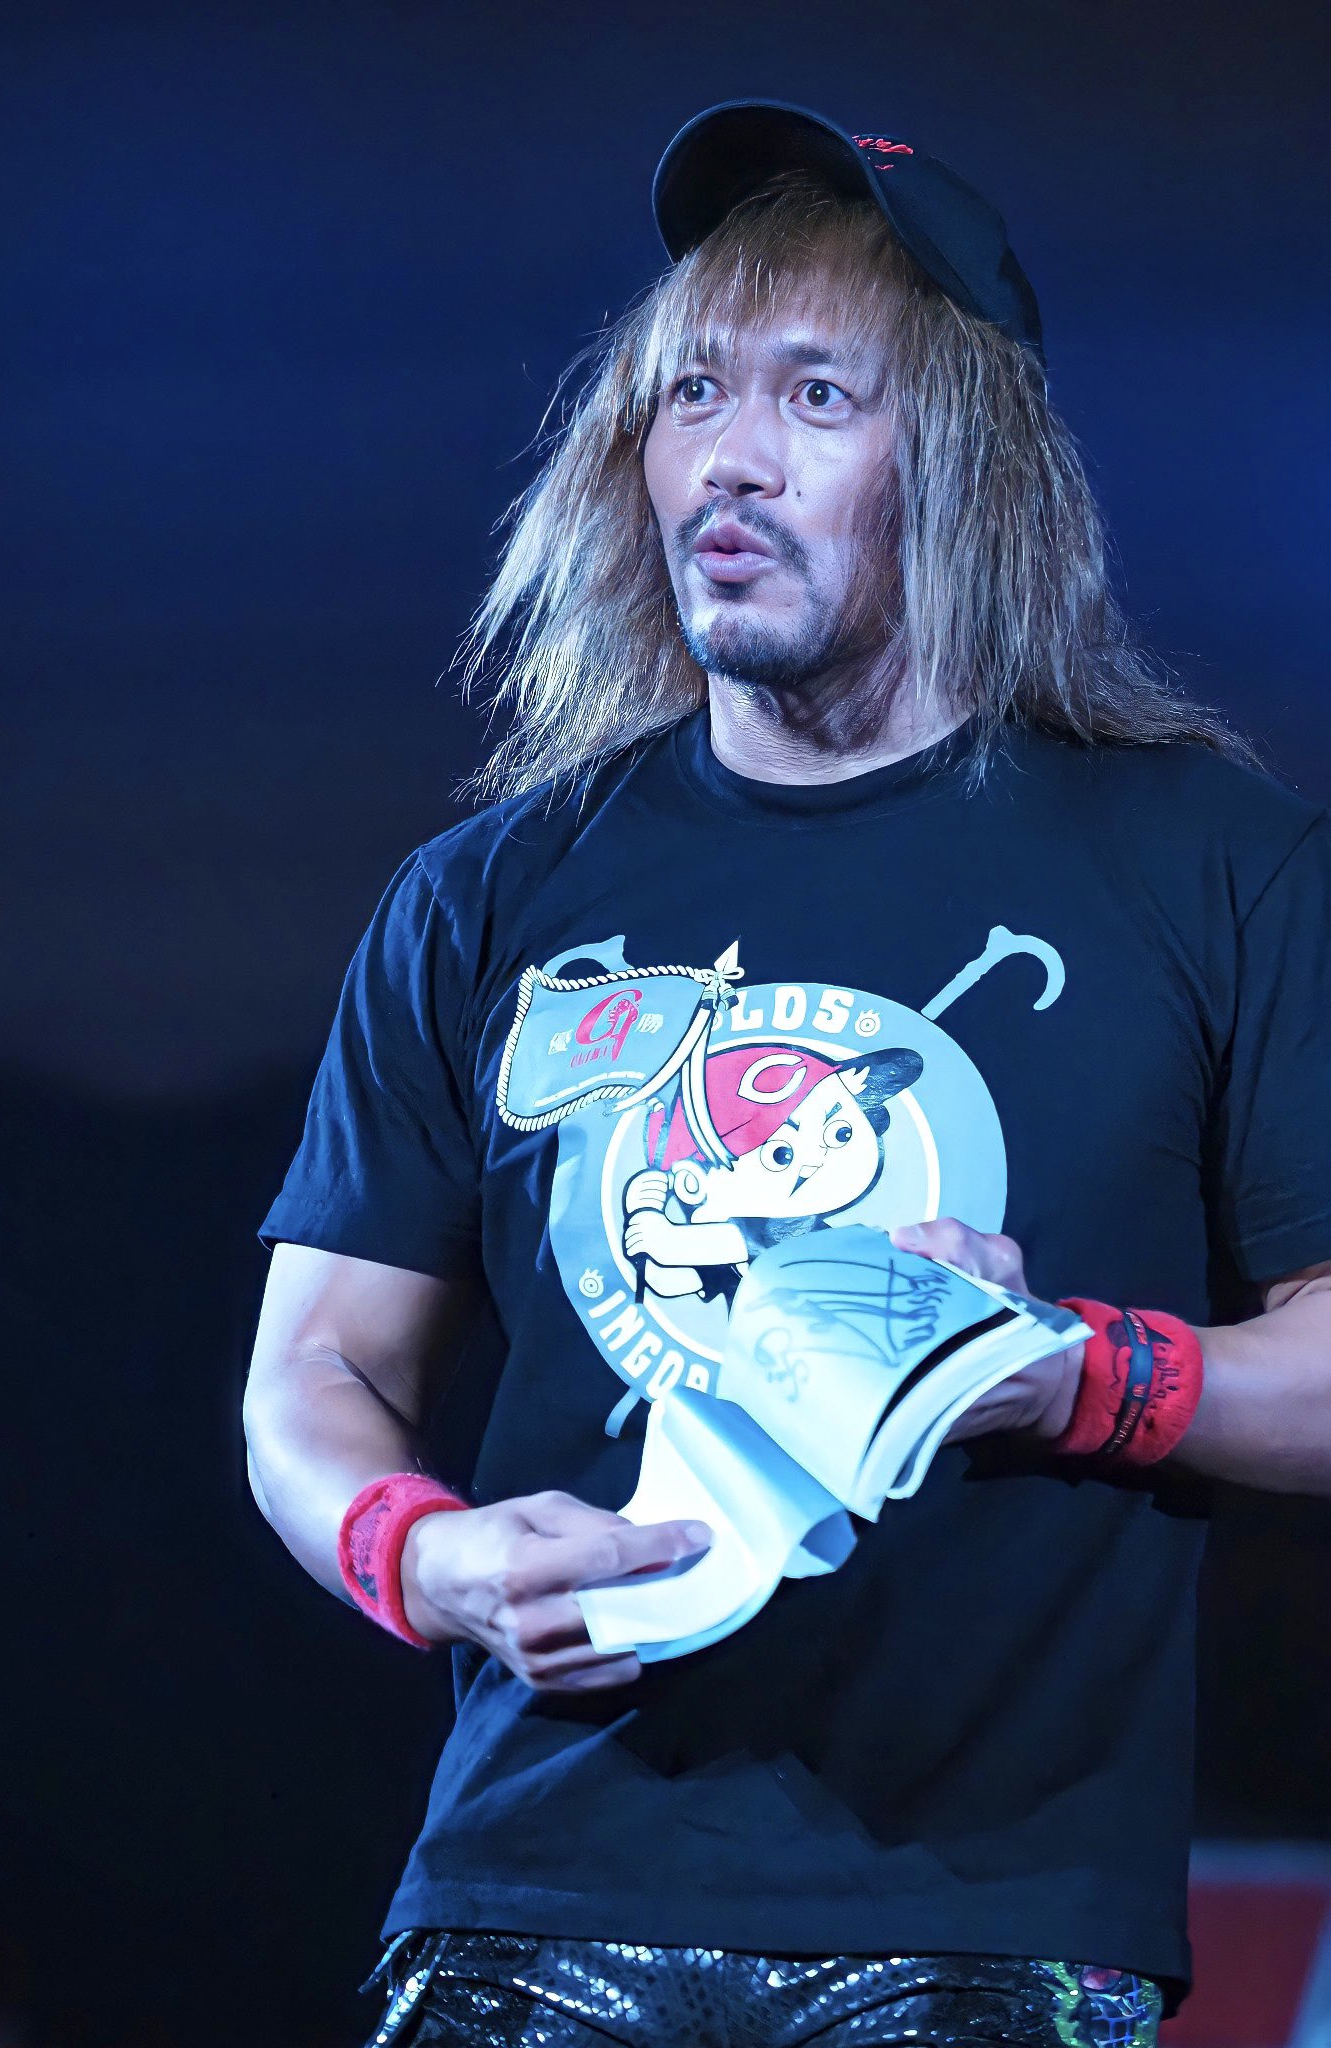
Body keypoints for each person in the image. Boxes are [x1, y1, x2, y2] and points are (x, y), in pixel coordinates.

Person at [242, 100, 1331, 2047]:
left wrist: (1073, 1370)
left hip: (983, 1922)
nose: (730, 459)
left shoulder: (1212, 868)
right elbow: (313, 1374)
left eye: (819, 395)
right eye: (693, 395)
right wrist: (434, 1557)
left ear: (970, 463)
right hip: (529, 1901)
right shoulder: (493, 894)